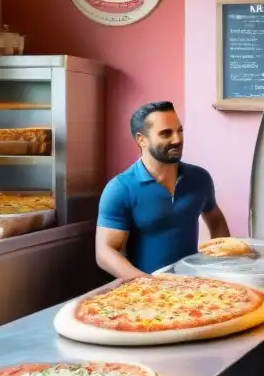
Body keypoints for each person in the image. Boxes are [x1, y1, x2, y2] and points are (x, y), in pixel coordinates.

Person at [95, 101, 230, 278]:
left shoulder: (200, 178)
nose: (177, 139)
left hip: (194, 287)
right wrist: (148, 284)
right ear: (141, 139)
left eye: (179, 130)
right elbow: (105, 253)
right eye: (166, 133)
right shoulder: (120, 189)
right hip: (146, 294)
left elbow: (216, 220)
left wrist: (223, 266)